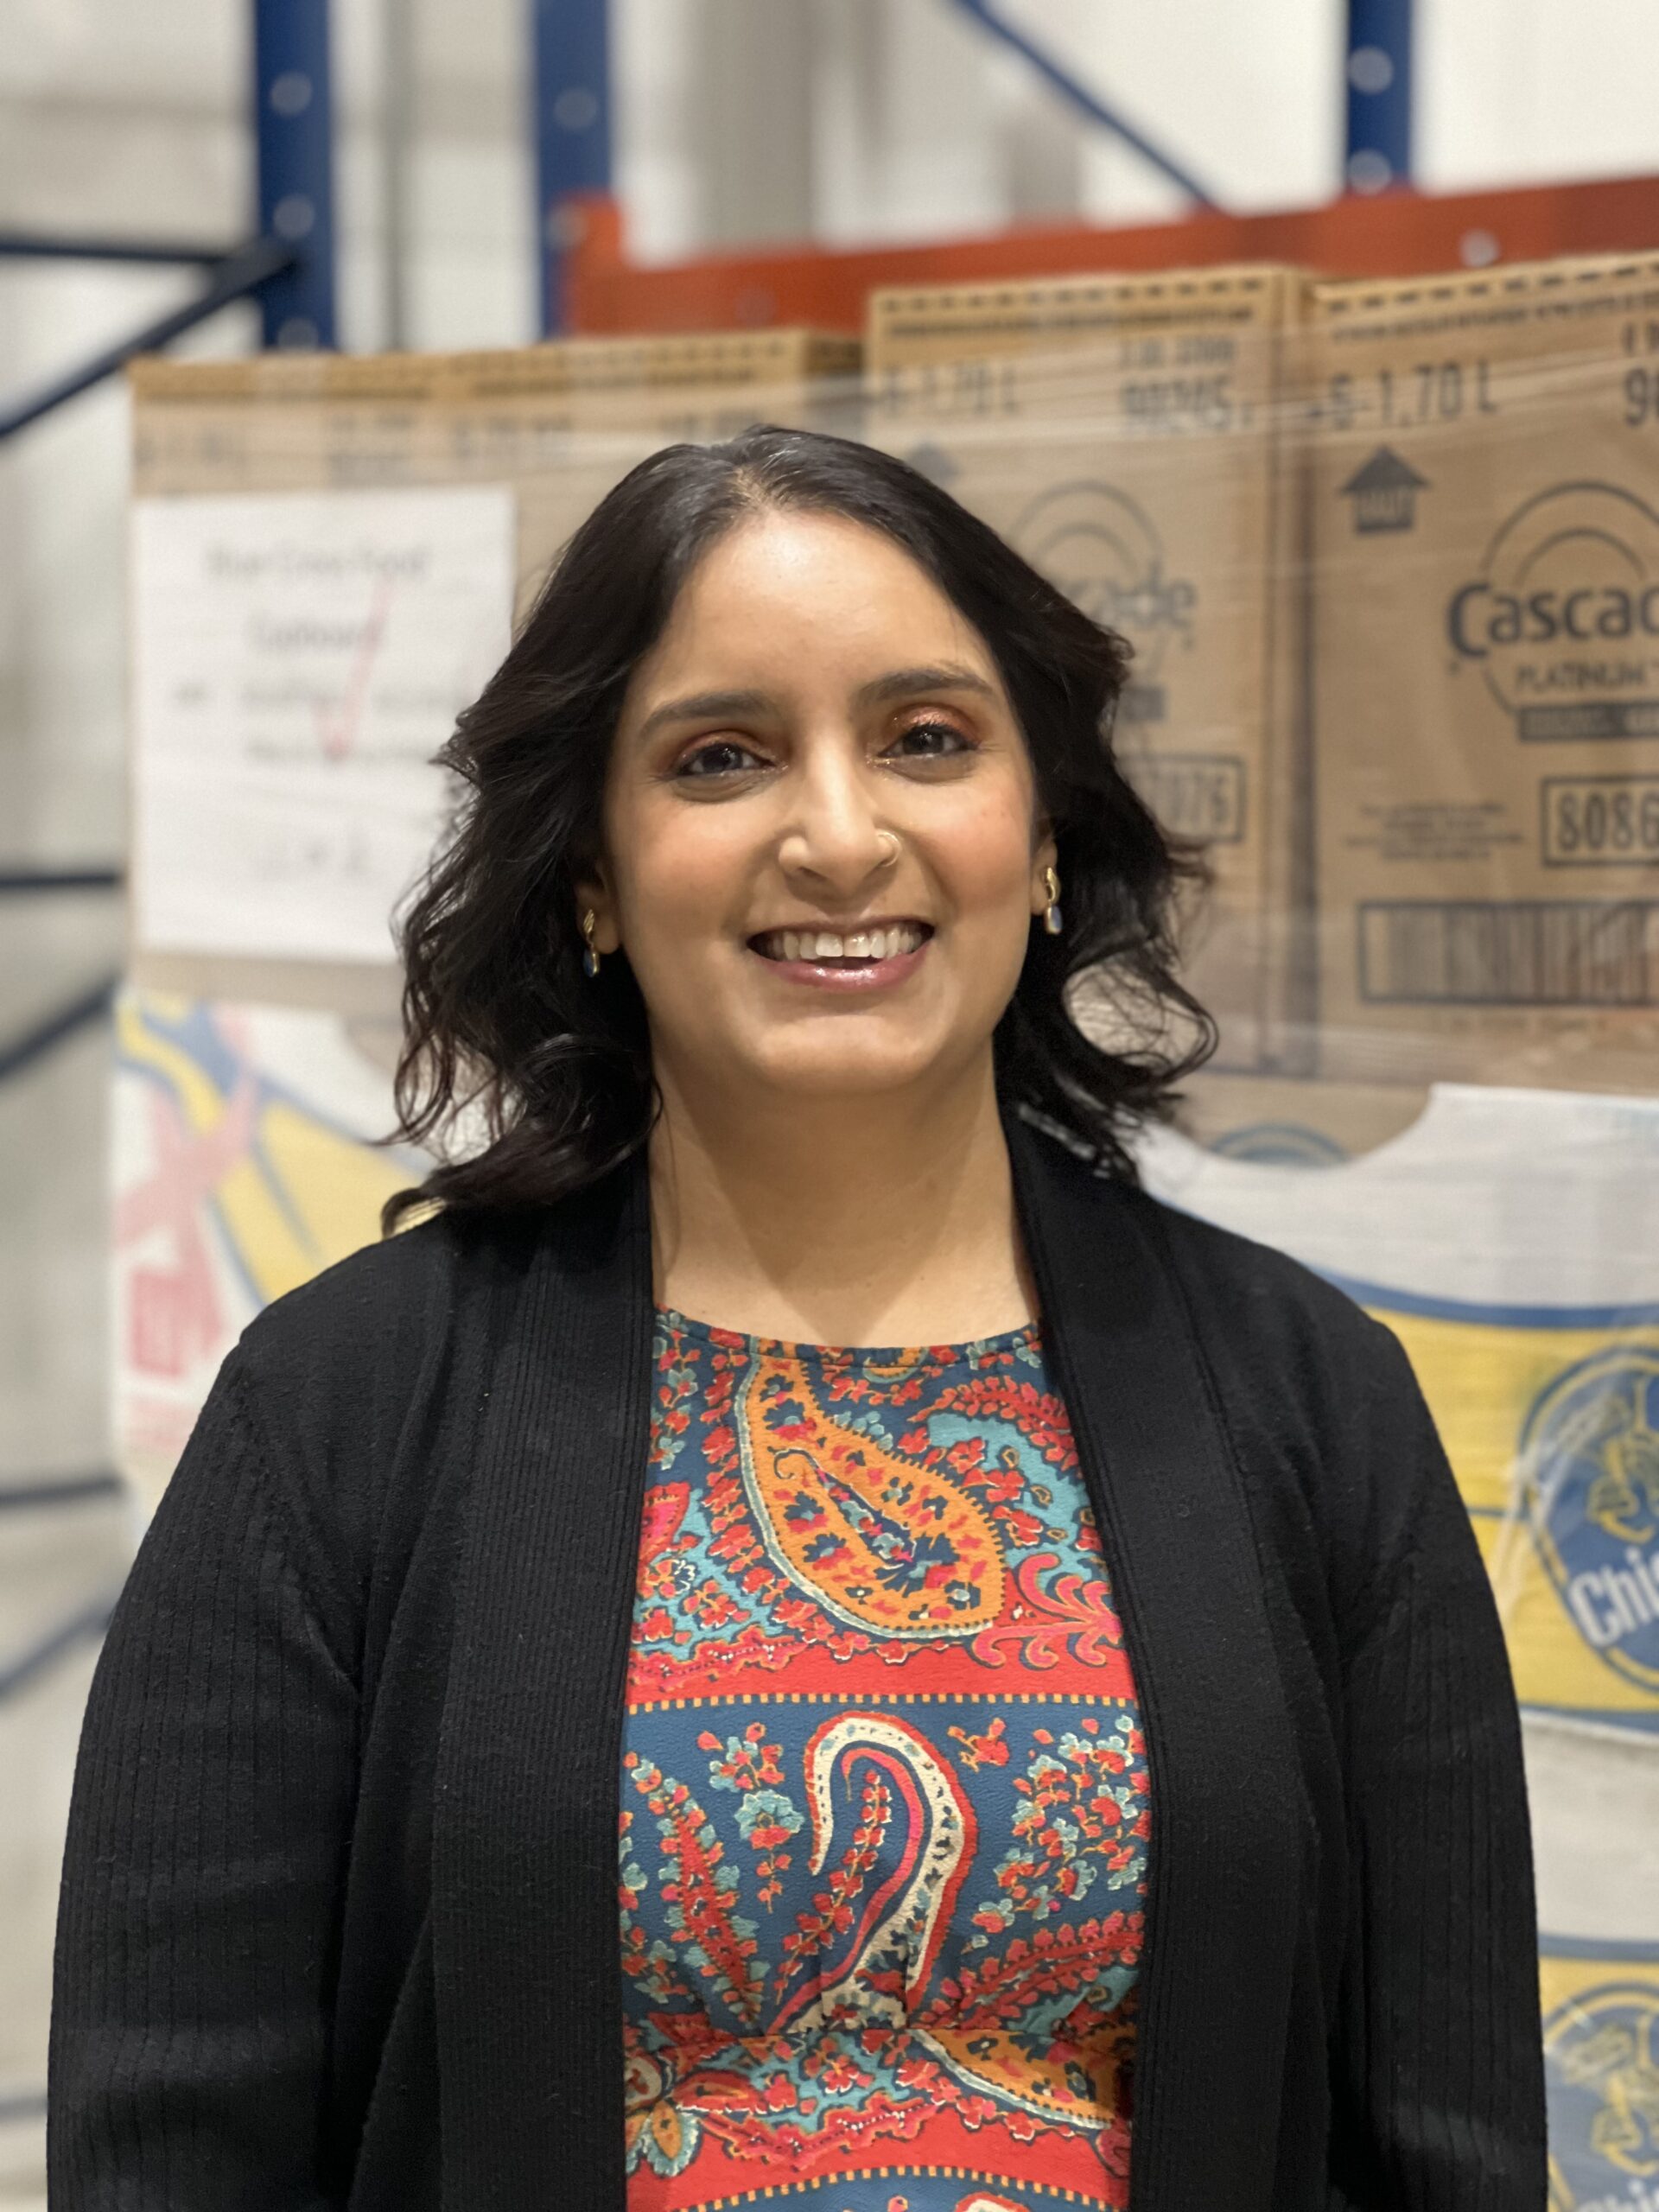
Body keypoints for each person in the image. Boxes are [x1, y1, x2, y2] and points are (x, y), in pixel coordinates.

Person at [48, 425, 1546, 2212]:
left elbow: (1449, 2143)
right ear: (590, 872)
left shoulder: (1313, 1400)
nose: (839, 835)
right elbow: (169, 2143)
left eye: (928, 738)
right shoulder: (333, 1414)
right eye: (722, 757)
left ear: (1044, 832)